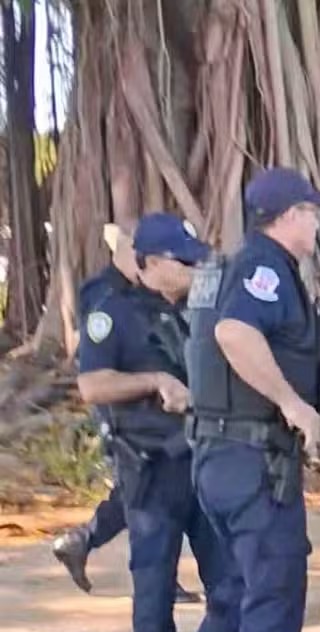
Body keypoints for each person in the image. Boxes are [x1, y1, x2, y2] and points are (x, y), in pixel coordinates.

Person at [138, 167, 320, 632]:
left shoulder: (231, 269)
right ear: (288, 216)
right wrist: (292, 403)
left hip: (220, 462)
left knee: (239, 588)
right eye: (312, 211)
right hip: (255, 466)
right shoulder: (264, 270)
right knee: (275, 596)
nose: (318, 221)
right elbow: (232, 333)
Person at [76, 213, 225, 632]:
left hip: (202, 459)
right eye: (182, 262)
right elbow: (92, 386)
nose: (190, 270)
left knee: (225, 570)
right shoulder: (111, 311)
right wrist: (154, 382)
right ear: (153, 262)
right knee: (155, 573)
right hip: (150, 464)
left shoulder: (193, 308)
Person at [53, 225, 200, 604]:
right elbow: (100, 363)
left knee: (142, 491)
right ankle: (154, 583)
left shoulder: (156, 299)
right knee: (140, 489)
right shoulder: (105, 293)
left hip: (161, 415)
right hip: (121, 410)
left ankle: (85, 541)